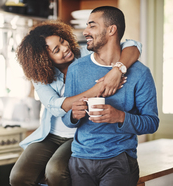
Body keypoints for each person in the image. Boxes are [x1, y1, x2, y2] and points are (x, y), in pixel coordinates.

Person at [10, 19, 142, 186]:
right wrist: (100, 87)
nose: (65, 48)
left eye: (63, 41)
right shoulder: (40, 76)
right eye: (57, 50)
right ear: (44, 59)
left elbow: (133, 45)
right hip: (51, 135)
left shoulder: (89, 55)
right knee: (18, 176)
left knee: (55, 170)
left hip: (80, 135)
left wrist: (117, 70)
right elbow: (57, 106)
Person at [62, 6, 159, 186]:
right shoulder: (76, 69)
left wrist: (119, 116)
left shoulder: (140, 73)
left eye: (92, 26)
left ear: (111, 30)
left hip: (119, 160)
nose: (85, 32)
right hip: (80, 160)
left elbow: (152, 123)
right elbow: (66, 119)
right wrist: (73, 115)